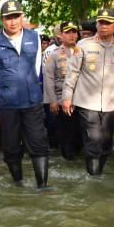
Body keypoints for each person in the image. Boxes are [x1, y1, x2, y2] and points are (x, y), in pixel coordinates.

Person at [62, 9, 114, 175]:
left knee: (106, 144)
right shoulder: (83, 45)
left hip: (109, 104)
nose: (103, 26)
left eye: (108, 23)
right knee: (93, 141)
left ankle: (97, 174)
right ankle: (93, 180)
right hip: (86, 102)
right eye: (101, 22)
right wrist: (67, 97)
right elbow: (72, 72)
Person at [0, 0, 50, 188]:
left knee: (39, 143)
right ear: (2, 20)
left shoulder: (34, 37)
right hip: (6, 105)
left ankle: (43, 186)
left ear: (22, 17)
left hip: (32, 102)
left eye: (16, 17)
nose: (12, 22)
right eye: (8, 18)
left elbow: (37, 68)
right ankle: (19, 184)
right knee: (11, 148)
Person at [43, 21, 83, 160]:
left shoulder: (83, 51)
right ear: (61, 35)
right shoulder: (53, 55)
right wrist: (52, 101)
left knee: (81, 135)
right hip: (61, 101)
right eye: (68, 32)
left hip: (82, 101)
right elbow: (48, 79)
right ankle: (68, 160)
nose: (72, 35)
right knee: (65, 135)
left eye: (74, 32)